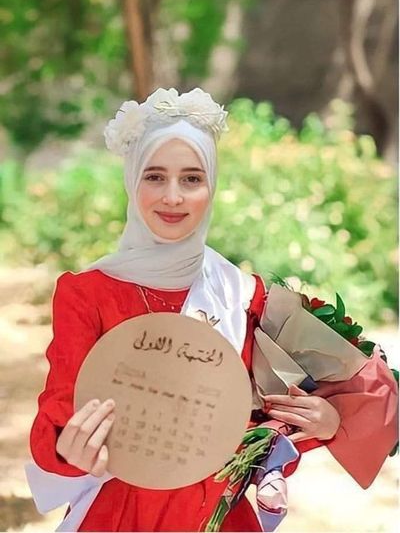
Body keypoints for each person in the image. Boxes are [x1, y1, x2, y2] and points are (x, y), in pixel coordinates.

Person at [28, 88, 398, 532]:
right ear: (131, 180)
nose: (173, 197)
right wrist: (70, 447)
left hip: (216, 514)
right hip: (123, 512)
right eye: (154, 176)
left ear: (212, 186)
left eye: (191, 179)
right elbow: (57, 416)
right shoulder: (87, 293)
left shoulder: (244, 295)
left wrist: (326, 420)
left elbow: (268, 417)